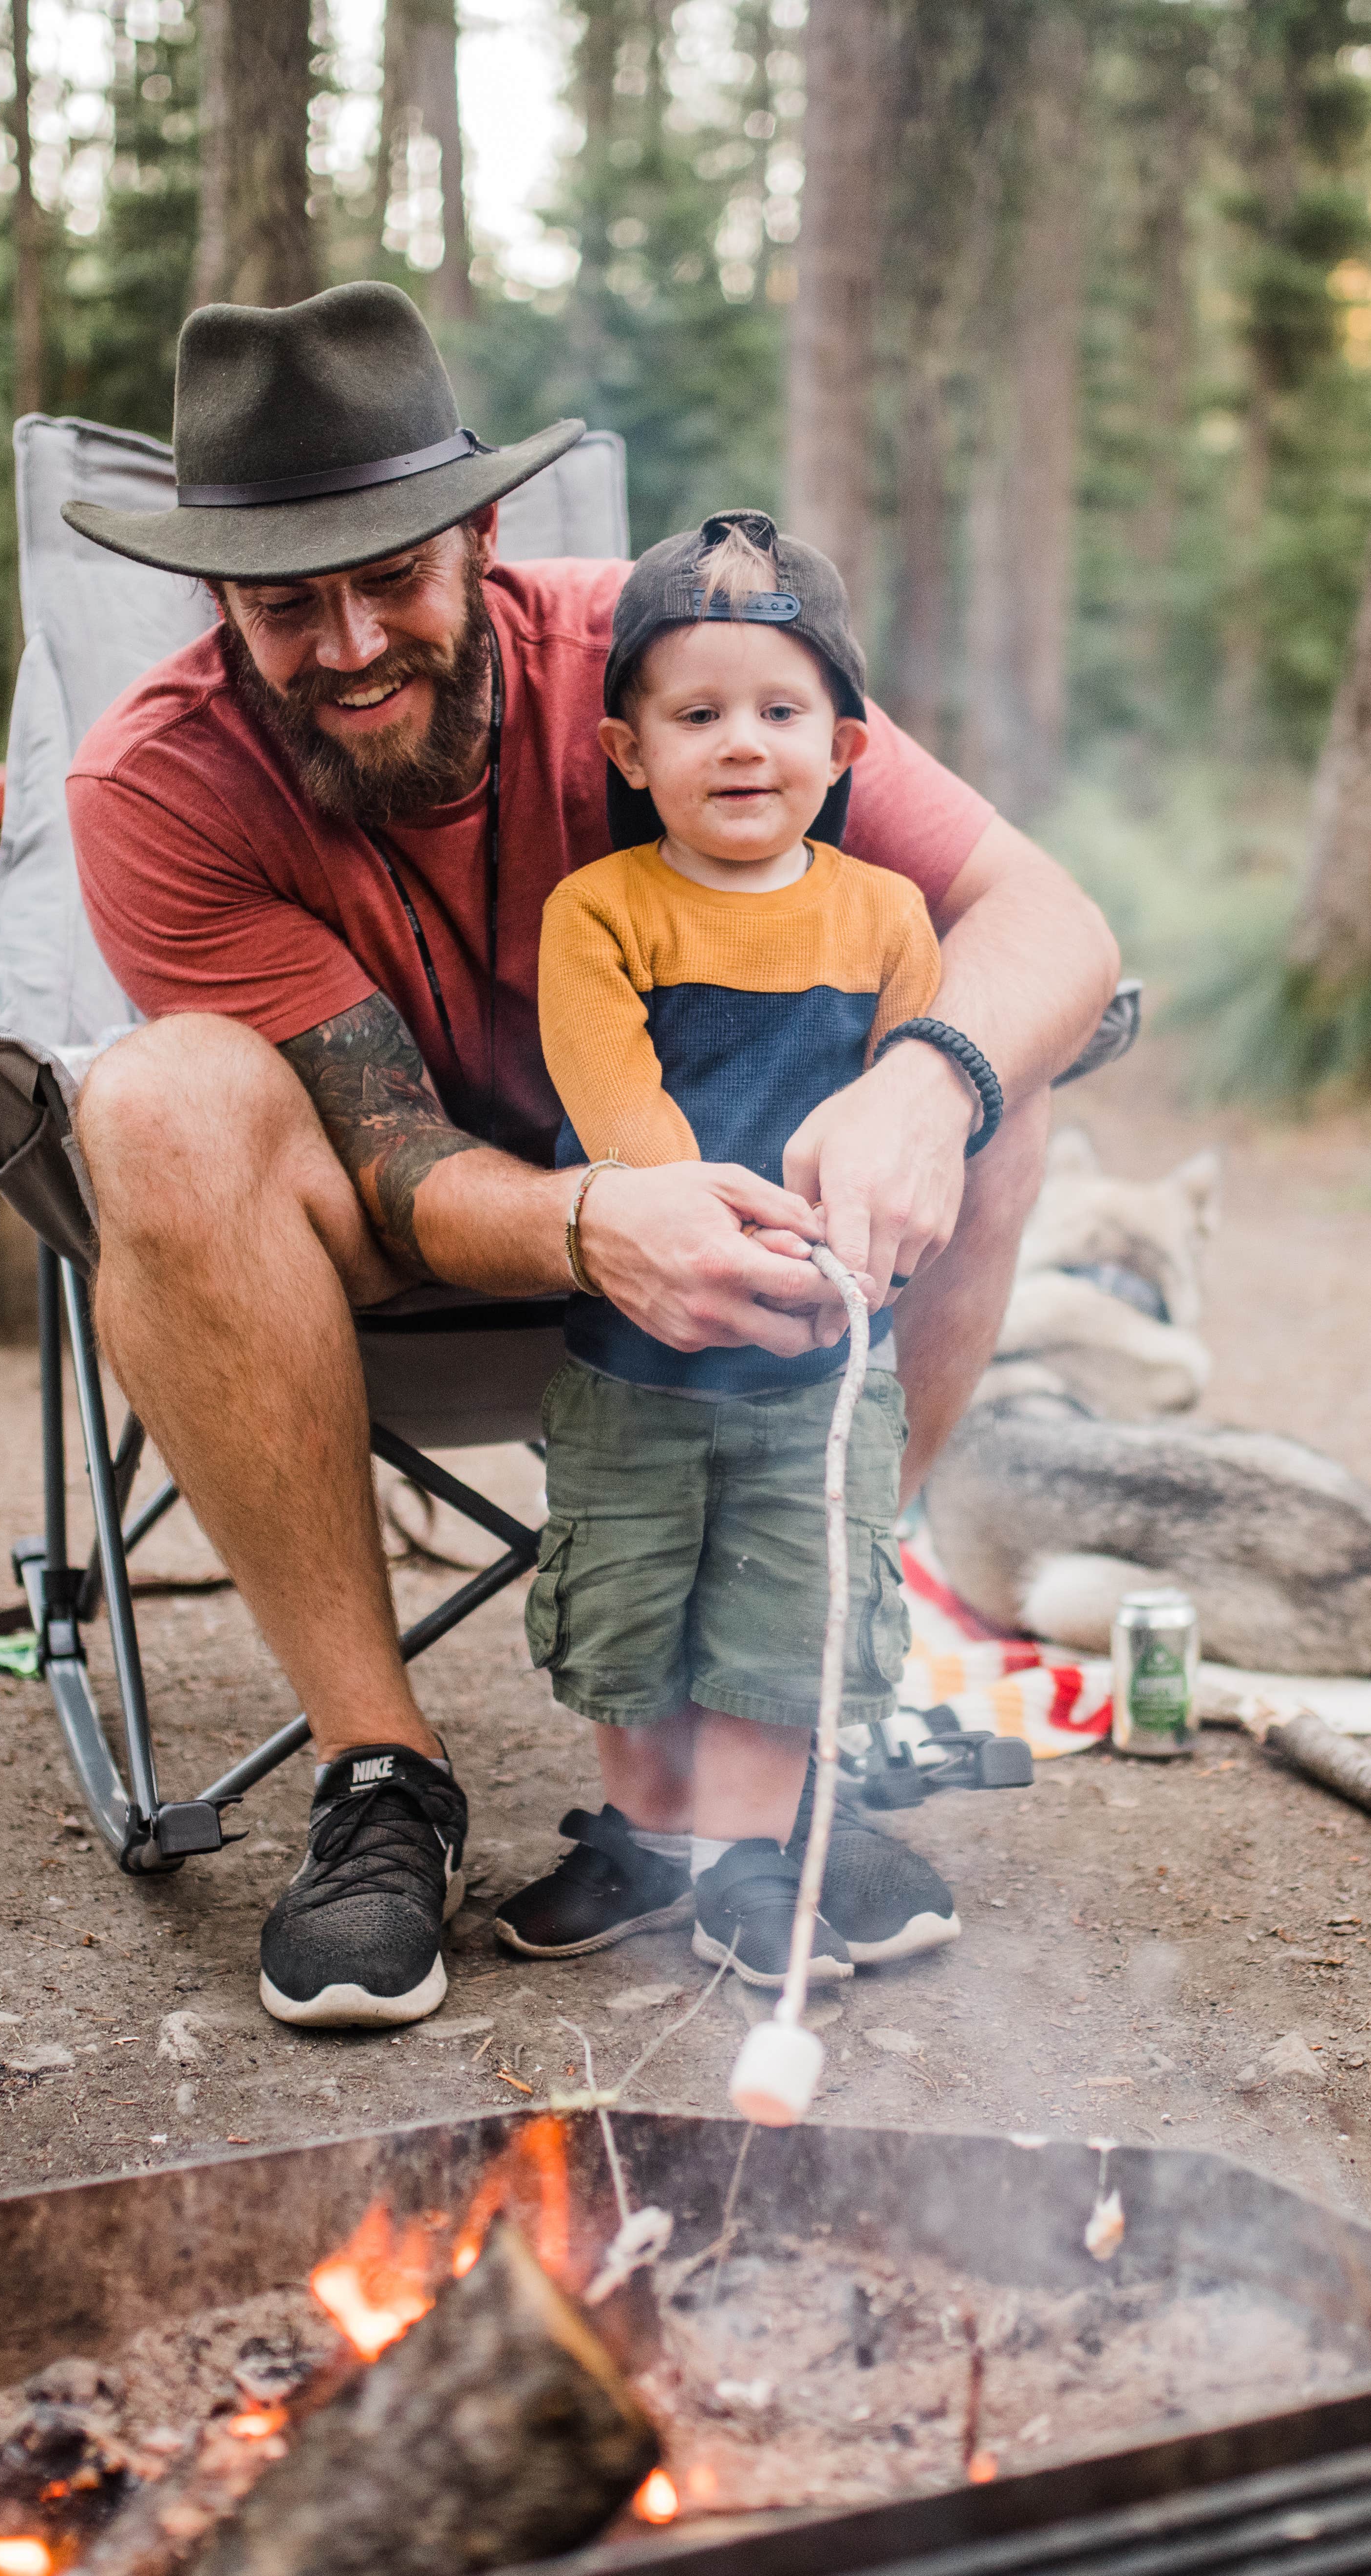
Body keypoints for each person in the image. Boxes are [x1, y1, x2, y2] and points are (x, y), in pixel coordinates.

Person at [62, 282, 1120, 2031]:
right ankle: (378, 1779)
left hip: (746, 1221)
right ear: (212, 602)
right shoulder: (162, 786)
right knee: (156, 1096)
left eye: (390, 578)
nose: (345, 644)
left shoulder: (676, 673)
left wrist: (927, 1085)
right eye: (282, 604)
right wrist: (587, 1214)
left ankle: (793, 1722)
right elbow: (390, 1151)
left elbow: (1049, 917)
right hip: (394, 1224)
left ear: (481, 534)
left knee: (1002, 1079)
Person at [496, 509, 959, 1989]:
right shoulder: (603, 910)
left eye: (780, 710)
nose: (742, 744)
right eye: (697, 715)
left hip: (819, 1358)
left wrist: (843, 1238)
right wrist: (705, 1214)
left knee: (781, 1597)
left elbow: (903, 1103)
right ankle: (645, 1837)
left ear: (846, 743)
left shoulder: (889, 916)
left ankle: (754, 1865)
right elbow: (614, 1105)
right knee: (626, 1594)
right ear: (630, 755)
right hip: (636, 1354)